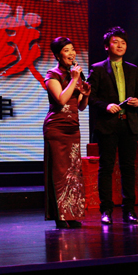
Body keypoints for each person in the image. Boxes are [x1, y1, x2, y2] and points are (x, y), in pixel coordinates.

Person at [88, 26, 138, 225]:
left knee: (128, 168)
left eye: (123, 42)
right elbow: (90, 97)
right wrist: (106, 106)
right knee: (106, 168)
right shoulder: (97, 69)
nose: (120, 45)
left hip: (129, 124)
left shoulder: (133, 69)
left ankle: (129, 210)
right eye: (115, 42)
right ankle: (106, 211)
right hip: (107, 125)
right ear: (107, 46)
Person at [43, 37, 90, 229]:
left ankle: (72, 214)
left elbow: (80, 106)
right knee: (60, 172)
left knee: (73, 172)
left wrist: (85, 95)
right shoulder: (52, 75)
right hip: (56, 128)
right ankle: (60, 216)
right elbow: (61, 100)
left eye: (72, 49)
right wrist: (75, 79)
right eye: (66, 50)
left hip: (73, 128)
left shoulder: (75, 75)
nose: (71, 53)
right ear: (57, 55)